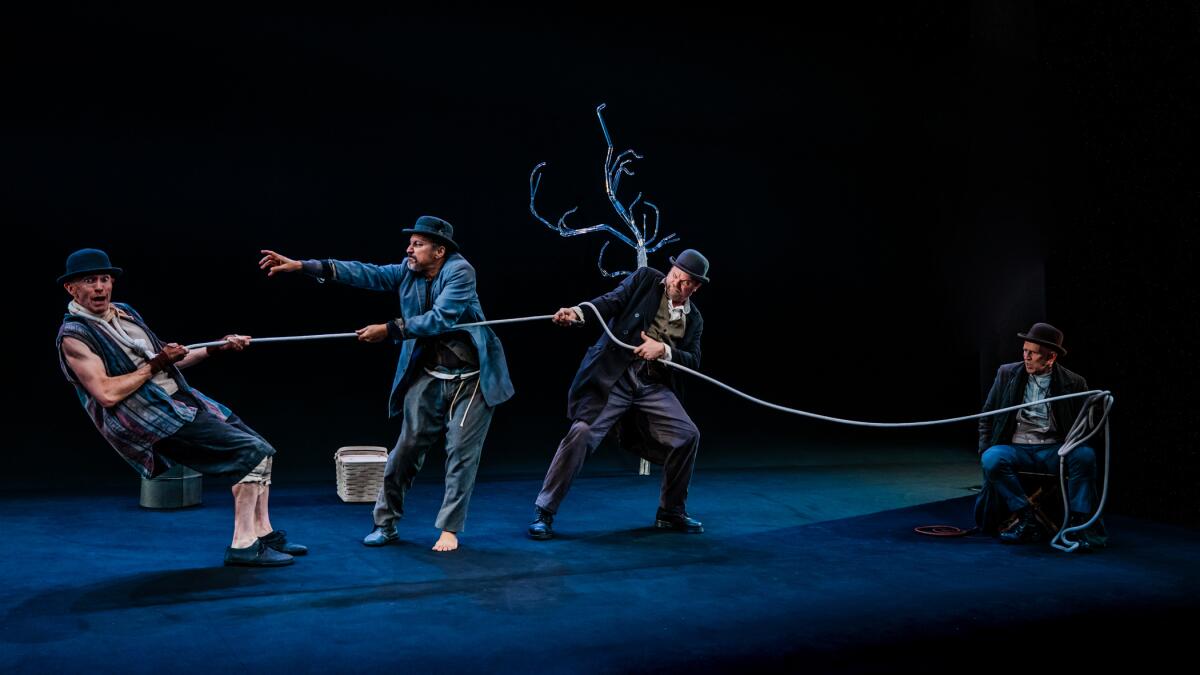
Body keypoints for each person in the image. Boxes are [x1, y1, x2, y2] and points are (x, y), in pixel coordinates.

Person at [260, 215, 513, 552]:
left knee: (462, 453)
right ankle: (385, 524)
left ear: (439, 251)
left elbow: (442, 318)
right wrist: (305, 267)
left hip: (472, 381)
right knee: (404, 452)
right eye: (411, 242)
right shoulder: (409, 271)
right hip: (429, 375)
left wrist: (390, 329)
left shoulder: (460, 271)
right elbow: (366, 273)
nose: (409, 248)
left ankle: (449, 529)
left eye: (418, 243)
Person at [56, 248, 305, 567]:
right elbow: (105, 393)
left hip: (181, 401)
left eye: (105, 279)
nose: (101, 287)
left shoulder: (125, 313)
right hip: (152, 418)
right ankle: (243, 545)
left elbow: (170, 360)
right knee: (252, 453)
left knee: (263, 451)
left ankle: (262, 532)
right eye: (90, 281)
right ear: (71, 288)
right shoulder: (74, 336)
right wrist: (157, 362)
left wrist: (217, 348)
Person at [528, 249, 710, 540]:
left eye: (683, 280)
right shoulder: (646, 280)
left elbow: (693, 359)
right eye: (674, 273)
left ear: (695, 287)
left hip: (652, 385)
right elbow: (611, 301)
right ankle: (544, 512)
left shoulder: (694, 320)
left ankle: (671, 512)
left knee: (688, 436)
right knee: (582, 433)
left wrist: (663, 350)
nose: (675, 281)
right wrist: (578, 313)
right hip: (615, 377)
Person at [975, 322, 1105, 547]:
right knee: (991, 458)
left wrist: (1097, 409)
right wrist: (986, 446)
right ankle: (1026, 518)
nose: (1026, 357)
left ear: (1051, 357)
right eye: (1024, 350)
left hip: (1054, 451)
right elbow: (987, 415)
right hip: (1016, 448)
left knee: (1085, 456)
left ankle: (1079, 525)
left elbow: (1089, 426)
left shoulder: (1074, 383)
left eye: (1032, 353)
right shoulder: (1007, 374)